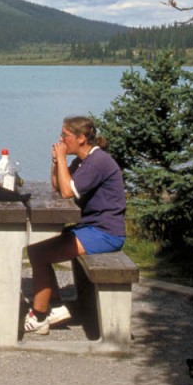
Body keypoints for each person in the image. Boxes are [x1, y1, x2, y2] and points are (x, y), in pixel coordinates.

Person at [24, 116, 126, 335]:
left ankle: (39, 315)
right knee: (37, 247)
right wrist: (55, 162)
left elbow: (68, 192)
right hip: (90, 227)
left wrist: (61, 159)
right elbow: (60, 187)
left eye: (65, 136)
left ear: (80, 138)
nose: (61, 140)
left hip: (105, 233)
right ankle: (57, 306)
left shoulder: (97, 161)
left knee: (41, 254)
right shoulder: (83, 160)